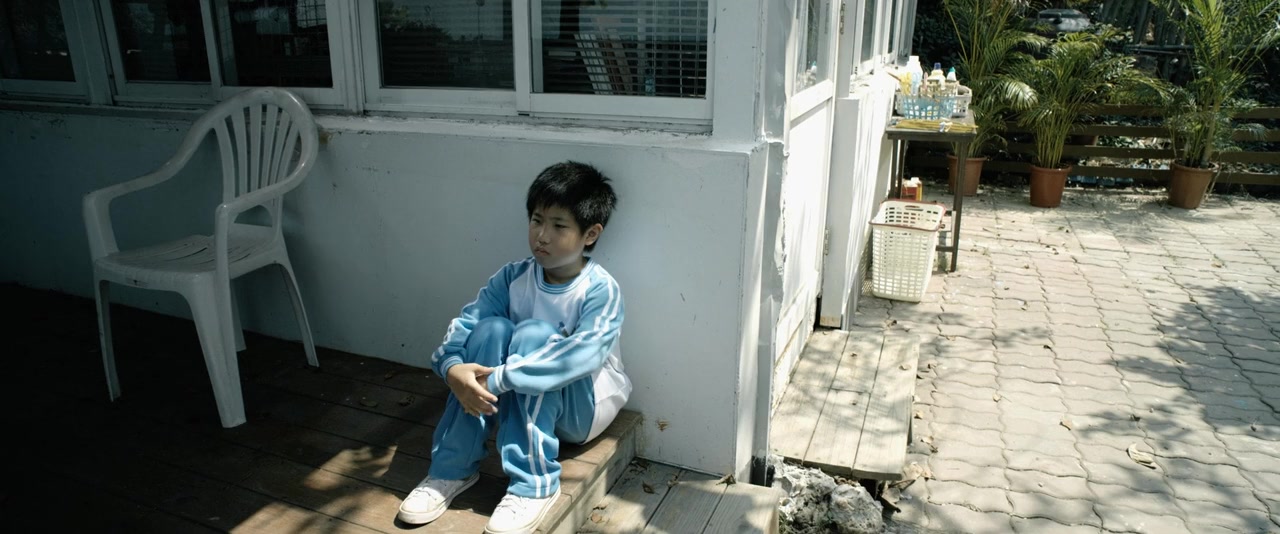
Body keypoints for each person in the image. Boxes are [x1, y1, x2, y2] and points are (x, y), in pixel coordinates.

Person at [398, 161, 631, 534]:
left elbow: (582, 356)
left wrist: (498, 379)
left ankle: (533, 485)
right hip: (510, 394)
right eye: (537, 221)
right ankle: (451, 470)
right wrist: (453, 368)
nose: (542, 236)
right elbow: (466, 326)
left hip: (581, 411)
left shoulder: (600, 290)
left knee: (534, 335)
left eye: (559, 226)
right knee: (490, 329)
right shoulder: (513, 276)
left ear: (590, 234)